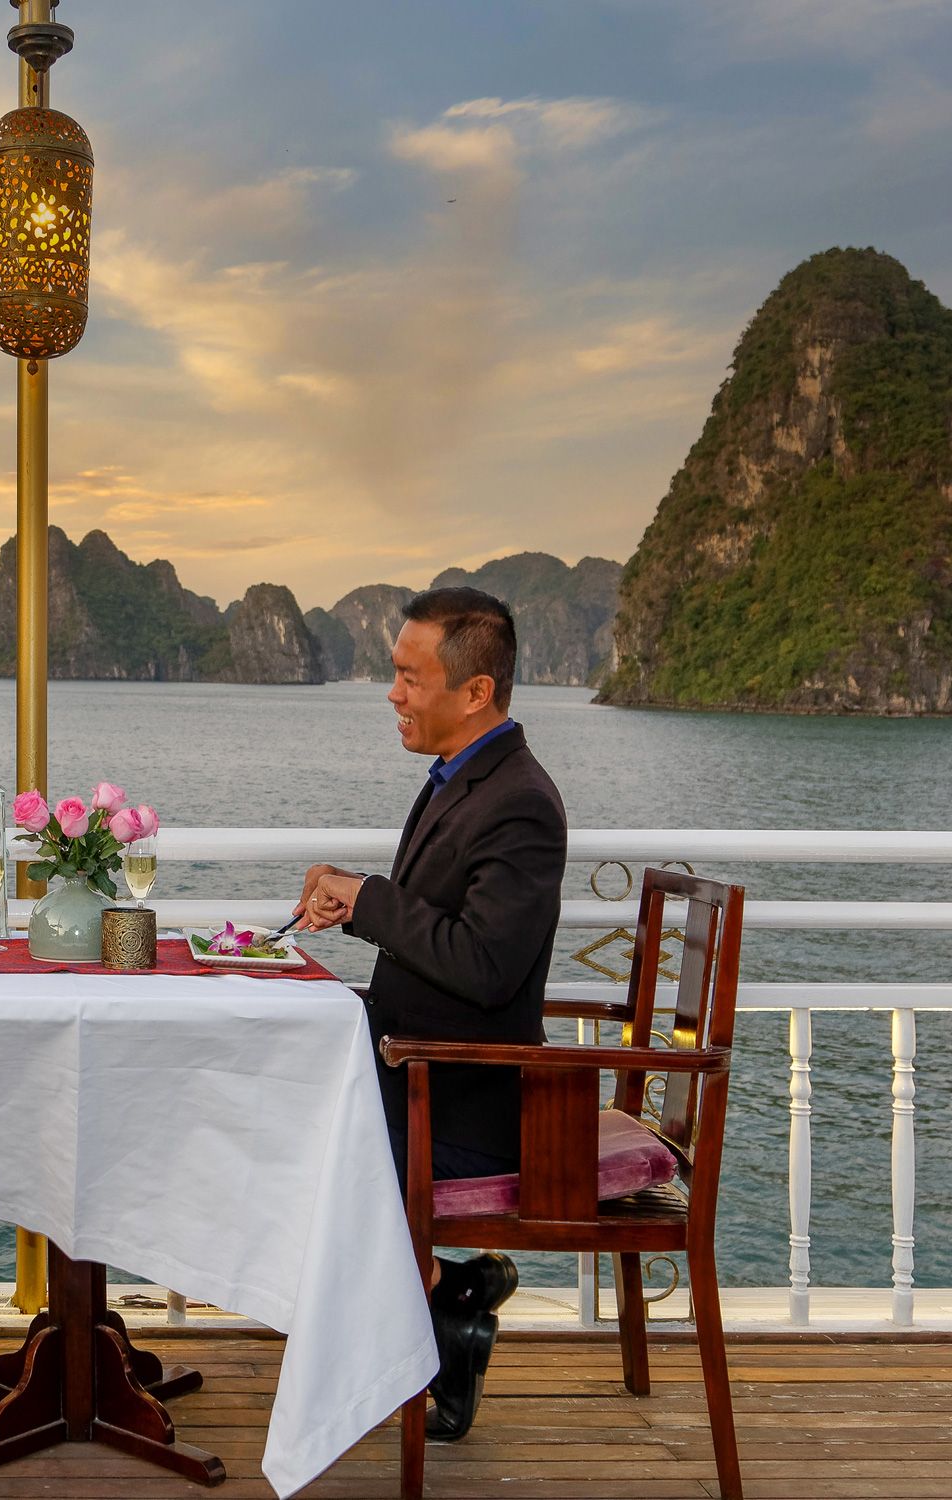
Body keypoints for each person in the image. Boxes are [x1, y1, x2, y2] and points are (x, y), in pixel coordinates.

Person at [292, 586, 568, 1442]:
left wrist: (371, 897)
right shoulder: (461, 780)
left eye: (410, 677)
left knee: (288, 1128)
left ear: (475, 692)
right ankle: (444, 1301)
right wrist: (364, 902)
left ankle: (425, 1321)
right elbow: (436, 931)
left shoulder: (519, 802)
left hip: (457, 1097)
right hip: (413, 1062)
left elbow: (484, 967)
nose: (393, 693)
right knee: (283, 1091)